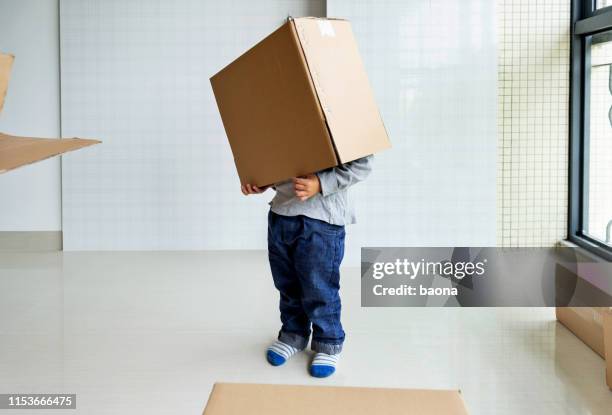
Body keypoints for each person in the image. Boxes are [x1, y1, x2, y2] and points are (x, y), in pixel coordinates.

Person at [241, 155, 372, 378]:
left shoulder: (342, 122)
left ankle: (328, 342)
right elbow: (279, 157)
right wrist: (264, 180)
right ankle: (293, 334)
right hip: (282, 214)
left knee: (319, 288)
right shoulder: (280, 122)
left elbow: (361, 165)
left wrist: (321, 183)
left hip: (322, 219)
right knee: (287, 284)